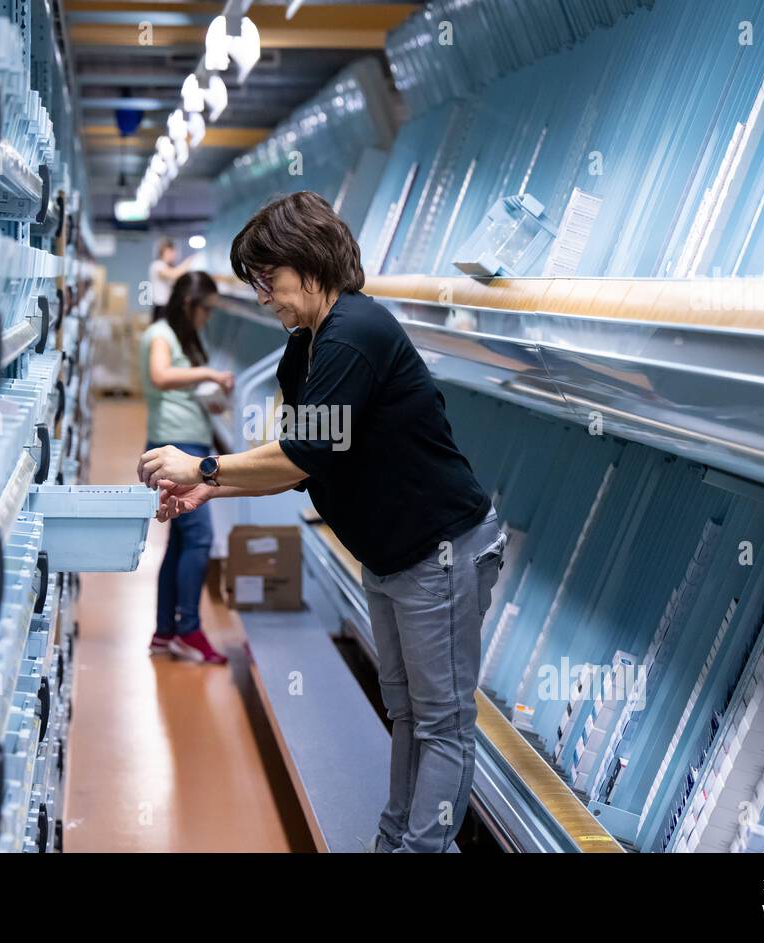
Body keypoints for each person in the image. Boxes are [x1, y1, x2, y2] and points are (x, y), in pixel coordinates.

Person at [138, 191, 507, 853]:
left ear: (307, 262)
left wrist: (201, 469)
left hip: (440, 550)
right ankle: (392, 839)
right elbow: (299, 458)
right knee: (407, 713)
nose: (261, 297)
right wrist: (210, 492)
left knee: (443, 723)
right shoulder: (304, 349)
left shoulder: (356, 334)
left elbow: (302, 452)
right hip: (390, 556)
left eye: (266, 279)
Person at [140, 271, 235, 664]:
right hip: (176, 449)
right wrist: (210, 374)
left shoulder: (180, 337)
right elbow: (161, 377)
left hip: (188, 443)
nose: (207, 318)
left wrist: (208, 402)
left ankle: (165, 631)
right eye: (206, 309)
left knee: (180, 543)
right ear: (188, 304)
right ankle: (189, 630)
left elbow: (178, 388)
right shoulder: (161, 333)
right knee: (198, 540)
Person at [148, 238, 196, 321]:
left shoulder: (169, 267)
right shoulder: (158, 265)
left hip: (168, 306)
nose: (173, 255)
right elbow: (173, 274)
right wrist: (188, 262)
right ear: (163, 252)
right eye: (171, 252)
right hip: (161, 307)